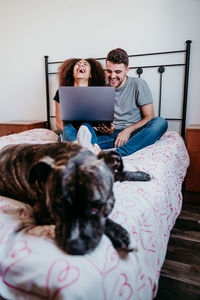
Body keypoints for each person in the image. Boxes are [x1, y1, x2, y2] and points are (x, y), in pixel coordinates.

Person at [84, 48, 168, 157]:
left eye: (118, 72)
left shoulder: (138, 84)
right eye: (109, 71)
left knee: (160, 122)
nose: (112, 76)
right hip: (111, 135)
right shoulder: (102, 87)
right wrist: (105, 128)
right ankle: (90, 150)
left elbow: (149, 117)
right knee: (82, 137)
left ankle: (118, 153)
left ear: (127, 70)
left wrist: (127, 131)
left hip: (134, 133)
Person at [53, 58, 105, 153]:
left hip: (89, 130)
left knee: (85, 126)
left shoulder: (98, 94)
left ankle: (79, 148)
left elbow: (102, 122)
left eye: (85, 64)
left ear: (90, 74)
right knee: (67, 127)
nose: (81, 65)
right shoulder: (61, 93)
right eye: (78, 64)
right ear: (72, 73)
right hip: (69, 130)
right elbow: (59, 124)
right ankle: (89, 149)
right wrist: (67, 132)